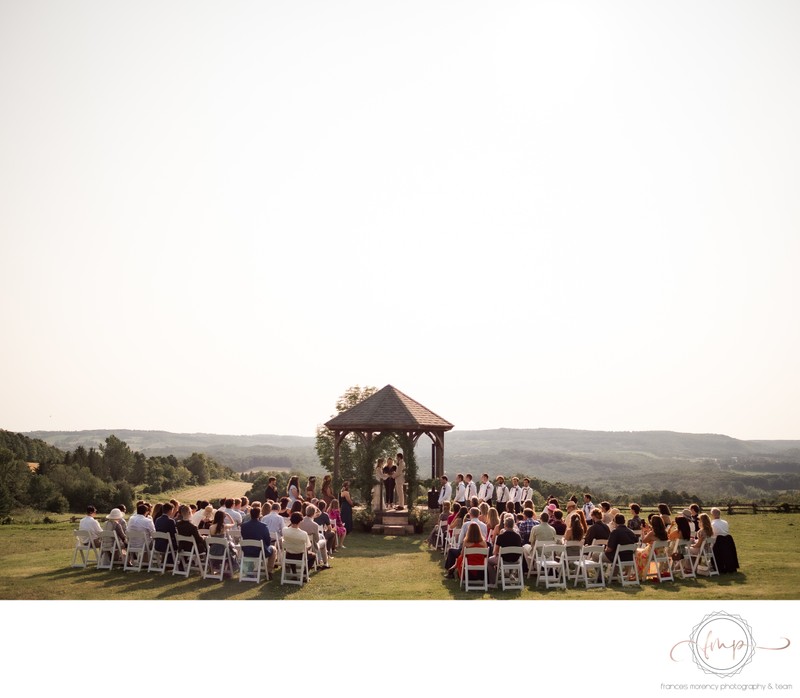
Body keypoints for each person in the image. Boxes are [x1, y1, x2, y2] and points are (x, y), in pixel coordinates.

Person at [488, 515, 524, 585]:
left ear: (505, 525)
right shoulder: (518, 536)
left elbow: (495, 552)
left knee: (489, 561)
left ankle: (493, 581)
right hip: (516, 560)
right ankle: (510, 575)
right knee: (510, 555)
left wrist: (497, 554)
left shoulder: (501, 536)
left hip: (504, 560)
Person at [240, 506, 277, 575]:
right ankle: (269, 571)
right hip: (260, 551)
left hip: (247, 550)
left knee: (251, 546)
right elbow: (267, 541)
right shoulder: (263, 526)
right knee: (274, 549)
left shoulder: (244, 526)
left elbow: (243, 536)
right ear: (259, 515)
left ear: (250, 514)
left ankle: (250, 569)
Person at [635, 514, 668, 579]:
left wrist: (643, 531)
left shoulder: (652, 533)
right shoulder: (664, 532)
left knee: (637, 552)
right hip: (661, 553)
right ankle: (641, 573)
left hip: (652, 553)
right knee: (639, 551)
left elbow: (644, 541)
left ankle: (639, 574)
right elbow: (655, 539)